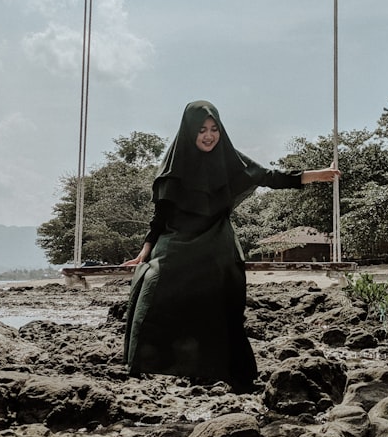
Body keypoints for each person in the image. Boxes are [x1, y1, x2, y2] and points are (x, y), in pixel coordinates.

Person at [122, 99, 340, 391]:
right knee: (153, 283)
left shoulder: (229, 159)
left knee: (225, 299)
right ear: (189, 132)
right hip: (177, 241)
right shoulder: (175, 166)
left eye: (214, 129)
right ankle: (150, 361)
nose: (209, 135)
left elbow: (268, 177)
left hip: (216, 241)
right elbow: (159, 218)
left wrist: (312, 176)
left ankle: (236, 374)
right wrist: (144, 252)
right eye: (202, 130)